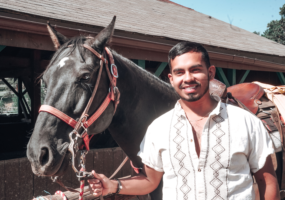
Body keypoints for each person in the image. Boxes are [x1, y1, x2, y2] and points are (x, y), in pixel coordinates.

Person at [88, 42, 280, 199]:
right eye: (180, 72)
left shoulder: (246, 122)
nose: (188, 78)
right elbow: (150, 181)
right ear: (171, 79)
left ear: (211, 73)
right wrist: (113, 185)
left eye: (195, 70)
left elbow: (267, 182)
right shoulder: (158, 128)